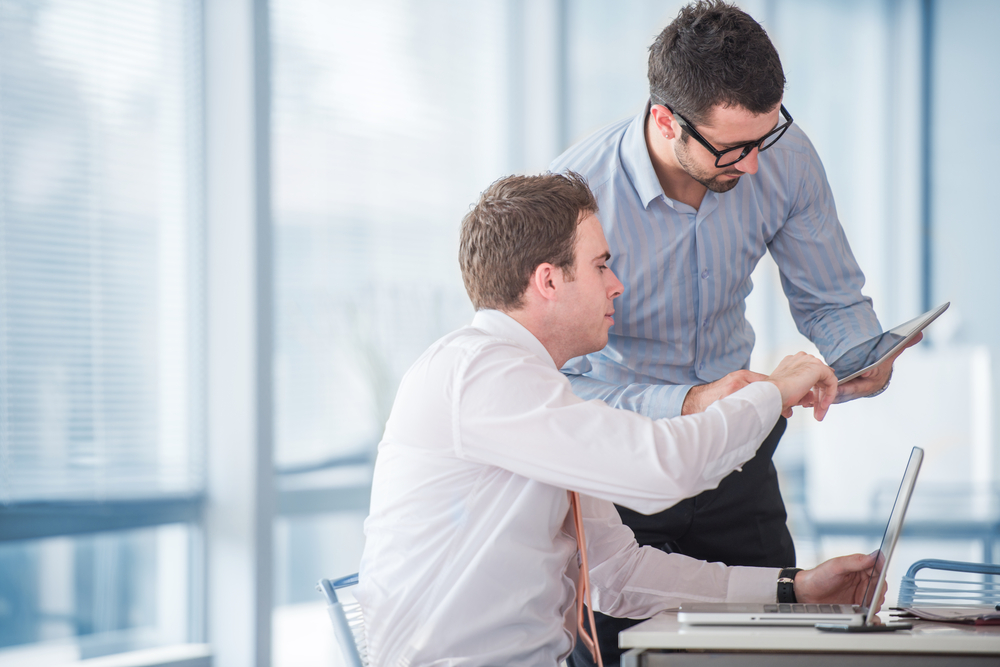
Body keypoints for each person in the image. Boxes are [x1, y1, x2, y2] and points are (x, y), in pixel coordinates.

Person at [356, 172, 881, 667]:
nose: (617, 285)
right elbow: (663, 470)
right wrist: (769, 391)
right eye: (600, 265)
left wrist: (794, 587)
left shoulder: (534, 390)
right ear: (548, 281)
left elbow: (619, 573)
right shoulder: (480, 372)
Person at [548, 4, 918, 664]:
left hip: (736, 459)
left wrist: (861, 354)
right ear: (666, 121)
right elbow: (558, 384)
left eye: (764, 139)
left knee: (778, 646)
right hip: (624, 470)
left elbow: (832, 300)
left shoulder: (782, 156)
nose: (752, 167)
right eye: (732, 148)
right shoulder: (575, 197)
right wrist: (690, 403)